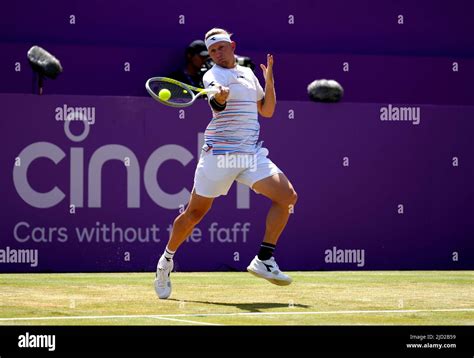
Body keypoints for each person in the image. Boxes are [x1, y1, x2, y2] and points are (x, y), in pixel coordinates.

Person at [155, 28, 298, 299]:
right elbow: (216, 103)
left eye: (221, 48)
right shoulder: (212, 77)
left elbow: (266, 111)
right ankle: (166, 260)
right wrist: (219, 98)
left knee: (287, 196)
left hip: (250, 155)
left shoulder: (247, 73)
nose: (217, 54)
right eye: (212, 51)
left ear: (232, 46)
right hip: (219, 156)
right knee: (194, 215)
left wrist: (269, 81)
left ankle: (264, 259)